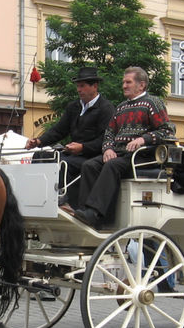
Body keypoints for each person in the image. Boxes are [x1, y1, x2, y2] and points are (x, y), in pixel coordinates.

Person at [73, 67, 174, 229]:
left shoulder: (152, 103)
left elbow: (167, 130)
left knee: (112, 165)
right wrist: (107, 149)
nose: (124, 86)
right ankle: (85, 210)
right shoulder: (121, 107)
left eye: (128, 82)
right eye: (123, 83)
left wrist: (143, 139)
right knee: (89, 165)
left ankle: (96, 213)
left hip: (141, 156)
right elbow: (109, 133)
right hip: (120, 154)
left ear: (141, 85)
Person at [25, 67, 115, 207]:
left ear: (95, 86)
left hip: (92, 156)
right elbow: (59, 130)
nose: (79, 90)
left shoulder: (106, 108)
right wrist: (39, 141)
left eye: (82, 86)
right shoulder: (73, 107)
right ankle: (37, 195)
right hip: (74, 154)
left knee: (62, 162)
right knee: (39, 156)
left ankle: (63, 197)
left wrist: (82, 148)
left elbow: (105, 139)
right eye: (78, 86)